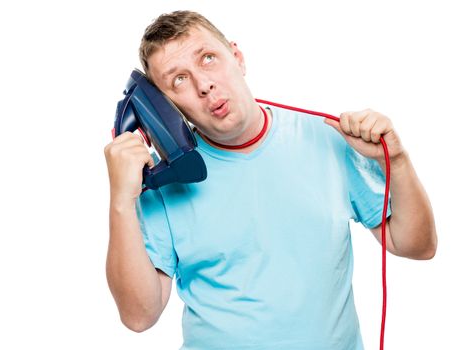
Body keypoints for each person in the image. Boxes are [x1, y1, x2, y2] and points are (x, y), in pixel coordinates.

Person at [103, 10, 437, 350]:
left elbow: (417, 246)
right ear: (165, 106)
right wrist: (121, 199)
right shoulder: (164, 182)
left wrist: (397, 161)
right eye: (179, 80)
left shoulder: (329, 138)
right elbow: (139, 316)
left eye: (208, 59)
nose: (204, 85)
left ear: (237, 58)